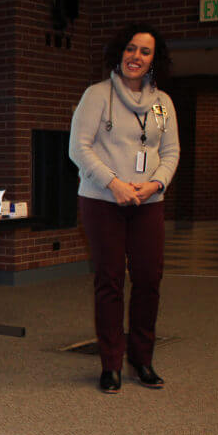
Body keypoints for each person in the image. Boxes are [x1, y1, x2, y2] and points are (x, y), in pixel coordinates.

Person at [69, 23, 180, 394]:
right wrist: (113, 183)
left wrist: (154, 184)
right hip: (103, 201)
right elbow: (79, 148)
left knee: (149, 279)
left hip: (149, 202)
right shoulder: (97, 95)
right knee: (110, 280)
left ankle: (142, 359)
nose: (136, 57)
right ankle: (111, 363)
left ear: (154, 60)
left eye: (145, 52)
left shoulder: (163, 102)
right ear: (120, 52)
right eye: (131, 49)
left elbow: (171, 151)